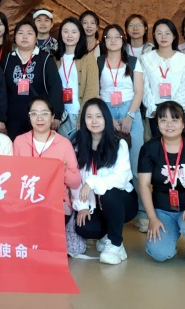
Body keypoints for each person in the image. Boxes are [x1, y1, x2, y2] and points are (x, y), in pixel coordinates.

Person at [137, 101, 185, 267]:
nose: (169, 125)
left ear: (183, 123)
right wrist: (152, 218)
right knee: (159, 253)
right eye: (163, 120)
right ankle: (169, 239)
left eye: (174, 120)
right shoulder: (149, 149)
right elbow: (143, 185)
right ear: (157, 123)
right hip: (163, 209)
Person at [72, 99, 138, 264]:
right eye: (89, 117)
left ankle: (116, 244)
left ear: (106, 118)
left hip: (122, 202)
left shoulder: (119, 144)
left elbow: (121, 178)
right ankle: (107, 234)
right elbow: (75, 180)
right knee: (85, 228)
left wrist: (92, 182)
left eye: (98, 116)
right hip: (94, 203)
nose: (94, 121)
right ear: (84, 120)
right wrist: (82, 206)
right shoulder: (78, 146)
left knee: (110, 194)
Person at [95, 24, 145, 227]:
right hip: (105, 111)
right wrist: (108, 118)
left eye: (117, 37)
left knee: (136, 164)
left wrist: (130, 116)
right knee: (105, 163)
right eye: (109, 37)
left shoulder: (133, 62)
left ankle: (141, 211)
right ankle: (106, 210)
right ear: (104, 40)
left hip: (130, 110)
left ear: (123, 40)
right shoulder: (98, 61)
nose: (113, 40)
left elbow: (139, 91)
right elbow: (96, 90)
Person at [13, 97, 81, 220]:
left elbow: (76, 182)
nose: (39, 118)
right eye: (34, 114)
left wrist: (64, 171)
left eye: (44, 113)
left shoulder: (64, 144)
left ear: (52, 116)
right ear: (29, 117)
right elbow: (13, 177)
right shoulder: (20, 142)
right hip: (26, 200)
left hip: (56, 202)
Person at [1, 20, 64, 139]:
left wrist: (56, 115)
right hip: (12, 119)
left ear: (36, 38)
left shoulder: (46, 59)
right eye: (20, 33)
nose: (25, 37)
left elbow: (55, 87)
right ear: (15, 37)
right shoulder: (7, 59)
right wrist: (0, 118)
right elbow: (0, 90)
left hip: (39, 118)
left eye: (29, 33)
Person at [141, 19, 185, 137]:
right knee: (159, 146)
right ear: (154, 35)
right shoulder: (145, 59)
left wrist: (173, 112)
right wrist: (154, 110)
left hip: (181, 111)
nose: (163, 36)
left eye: (167, 33)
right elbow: (144, 87)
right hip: (156, 112)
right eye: (159, 33)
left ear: (174, 35)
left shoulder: (184, 60)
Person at [58, 17, 98, 139]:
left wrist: (83, 115)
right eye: (66, 31)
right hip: (62, 116)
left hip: (79, 113)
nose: (69, 35)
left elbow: (91, 89)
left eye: (74, 32)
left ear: (80, 34)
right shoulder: (55, 58)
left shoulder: (88, 58)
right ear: (60, 34)